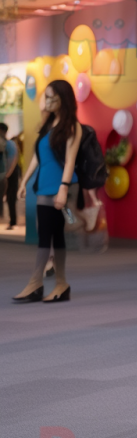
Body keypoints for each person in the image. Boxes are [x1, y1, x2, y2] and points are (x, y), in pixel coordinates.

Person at [12, 80, 83, 303]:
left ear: (64, 99)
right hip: (44, 186)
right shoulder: (49, 124)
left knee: (49, 235)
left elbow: (70, 161)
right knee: (52, 235)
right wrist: (24, 181)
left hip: (60, 187)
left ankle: (36, 283)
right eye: (47, 97)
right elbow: (38, 156)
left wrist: (63, 189)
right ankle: (61, 284)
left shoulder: (72, 126)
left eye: (53, 97)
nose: (48, 102)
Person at [1, 125, 22, 229]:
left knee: (11, 198)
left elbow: (13, 160)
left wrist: (6, 175)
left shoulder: (10, 144)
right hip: (6, 174)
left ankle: (12, 221)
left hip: (10, 175)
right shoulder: (8, 144)